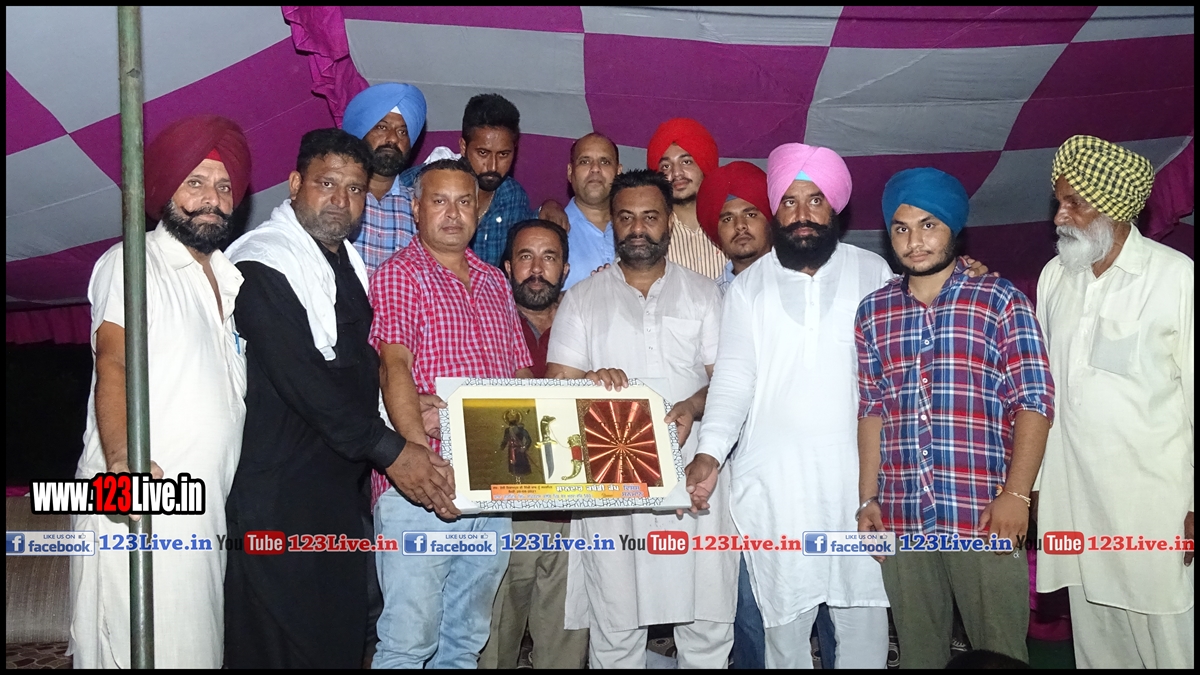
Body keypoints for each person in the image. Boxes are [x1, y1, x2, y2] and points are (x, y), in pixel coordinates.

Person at [223, 128, 453, 668]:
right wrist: (393, 450)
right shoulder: (260, 265)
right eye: (326, 183)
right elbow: (306, 383)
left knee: (341, 638)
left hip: (336, 490)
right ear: (295, 184)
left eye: (354, 189)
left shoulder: (347, 264)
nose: (340, 200)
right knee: (281, 647)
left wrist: (399, 404)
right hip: (277, 495)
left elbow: (356, 366)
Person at [687, 142, 894, 669]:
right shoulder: (749, 288)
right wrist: (709, 453)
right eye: (790, 202)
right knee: (784, 630)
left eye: (815, 201)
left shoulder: (874, 273)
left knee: (864, 623)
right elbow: (734, 380)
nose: (802, 214)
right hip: (778, 488)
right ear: (776, 209)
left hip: (858, 485)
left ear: (835, 207)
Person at [70, 114, 251, 669]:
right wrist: (122, 461)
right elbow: (115, 359)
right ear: (165, 187)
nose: (212, 199)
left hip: (203, 519)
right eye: (195, 182)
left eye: (224, 186)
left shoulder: (230, 280)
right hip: (139, 505)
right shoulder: (132, 260)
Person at [855, 168, 1055, 668]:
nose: (915, 241)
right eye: (901, 228)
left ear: (954, 228)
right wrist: (868, 498)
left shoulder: (1000, 300)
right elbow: (872, 408)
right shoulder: (873, 312)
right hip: (902, 516)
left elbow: (1034, 401)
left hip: (985, 514)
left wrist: (1016, 496)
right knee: (918, 654)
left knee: (999, 654)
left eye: (929, 225)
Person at [546, 169, 738, 669]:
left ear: (669, 221)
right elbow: (556, 387)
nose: (637, 228)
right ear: (612, 222)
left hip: (696, 473)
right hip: (610, 484)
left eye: (650, 217)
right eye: (626, 217)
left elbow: (728, 383)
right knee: (616, 623)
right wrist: (589, 382)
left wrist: (691, 407)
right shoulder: (582, 298)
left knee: (707, 620)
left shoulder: (705, 294)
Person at [1034, 135, 1194, 669]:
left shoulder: (1176, 277)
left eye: (1074, 203)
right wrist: (1037, 486)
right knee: (1098, 646)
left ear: (1116, 207)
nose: (1060, 216)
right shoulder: (1056, 276)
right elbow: (1045, 391)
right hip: (1076, 501)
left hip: (1155, 506)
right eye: (1058, 201)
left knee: (1170, 643)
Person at [370, 158, 534, 668]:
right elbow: (394, 366)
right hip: (424, 483)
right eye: (439, 201)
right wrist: (416, 456)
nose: (452, 213)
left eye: (464, 202)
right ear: (416, 208)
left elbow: (520, 375)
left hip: (494, 482)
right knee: (408, 641)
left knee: (465, 641)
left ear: (478, 211)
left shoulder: (494, 281)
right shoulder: (399, 275)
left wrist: (533, 466)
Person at [479, 219, 590, 670]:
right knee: (494, 643)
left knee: (565, 646)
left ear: (566, 269)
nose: (537, 269)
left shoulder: (587, 320)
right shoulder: (485, 323)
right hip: (506, 513)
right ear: (507, 266)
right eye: (525, 257)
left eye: (549, 258)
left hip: (576, 511)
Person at [398, 94, 566, 267]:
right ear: (463, 146)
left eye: (503, 154)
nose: (492, 166)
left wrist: (549, 206)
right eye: (483, 153)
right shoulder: (415, 184)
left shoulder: (513, 197)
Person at [341, 82, 428, 276]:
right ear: (362, 133)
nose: (393, 139)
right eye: (382, 127)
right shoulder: (335, 198)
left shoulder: (422, 208)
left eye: (403, 132)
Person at [648, 117, 729, 280]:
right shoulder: (650, 233)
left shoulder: (731, 227)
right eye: (666, 166)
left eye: (686, 162)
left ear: (705, 164)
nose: (676, 173)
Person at [695, 161, 774, 295]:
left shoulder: (799, 284)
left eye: (750, 215)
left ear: (769, 222)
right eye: (728, 219)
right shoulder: (710, 298)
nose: (740, 225)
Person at [562, 133, 621, 290]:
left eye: (605, 161)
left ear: (619, 172)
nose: (595, 169)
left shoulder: (637, 229)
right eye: (585, 161)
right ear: (570, 172)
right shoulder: (551, 230)